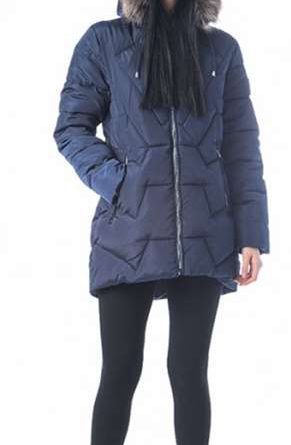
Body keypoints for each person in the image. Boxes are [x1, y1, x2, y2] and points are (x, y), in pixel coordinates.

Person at [53, 0, 269, 443]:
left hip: (206, 233)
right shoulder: (104, 41)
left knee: (189, 371)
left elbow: (242, 147)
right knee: (120, 370)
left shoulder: (221, 49)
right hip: (128, 232)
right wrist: (119, 181)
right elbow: (72, 127)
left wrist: (251, 235)